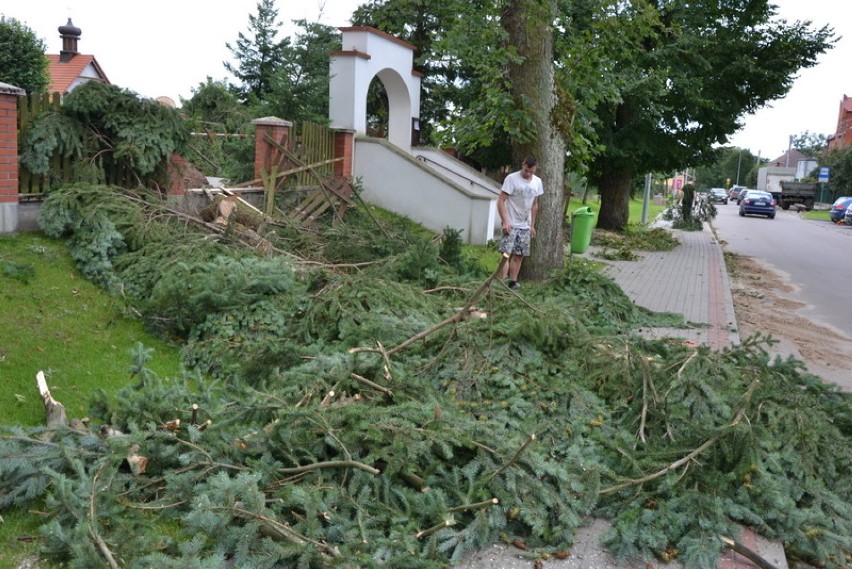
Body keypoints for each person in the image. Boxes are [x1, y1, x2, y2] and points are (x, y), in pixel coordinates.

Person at [497, 156, 543, 289]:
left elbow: (535, 205)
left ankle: (512, 282)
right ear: (522, 165)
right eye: (525, 170)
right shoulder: (511, 179)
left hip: (525, 225)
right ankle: (501, 283)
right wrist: (505, 221)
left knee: (519, 255)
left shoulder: (537, 182)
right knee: (505, 254)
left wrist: (532, 225)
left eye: (531, 172)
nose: (528, 174)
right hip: (511, 223)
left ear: (535, 169)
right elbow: (501, 201)